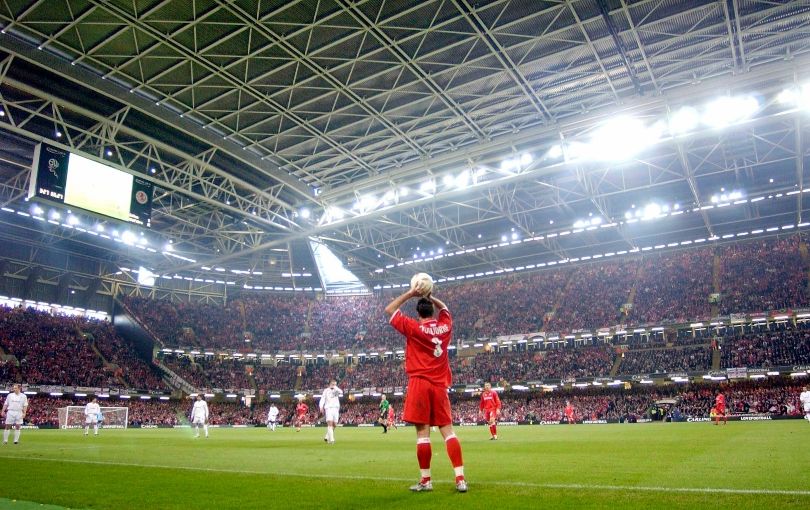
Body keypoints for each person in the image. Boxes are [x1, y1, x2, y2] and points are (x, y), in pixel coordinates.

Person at [385, 285, 467, 493]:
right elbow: (446, 309)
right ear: (432, 312)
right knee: (448, 431)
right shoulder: (445, 327)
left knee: (423, 433)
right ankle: (460, 479)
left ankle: (426, 480)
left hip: (420, 383)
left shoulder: (414, 328)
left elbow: (390, 309)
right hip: (440, 385)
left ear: (418, 313)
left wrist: (411, 294)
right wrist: (432, 297)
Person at [319, 380, 343, 444]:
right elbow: (322, 399)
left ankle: (327, 436)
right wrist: (321, 407)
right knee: (330, 423)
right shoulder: (326, 391)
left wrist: (336, 387)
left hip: (336, 409)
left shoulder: (336, 390)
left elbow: (341, 392)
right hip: (328, 408)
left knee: (334, 425)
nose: (334, 385)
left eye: (335, 384)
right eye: (333, 384)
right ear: (330, 384)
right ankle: (332, 440)